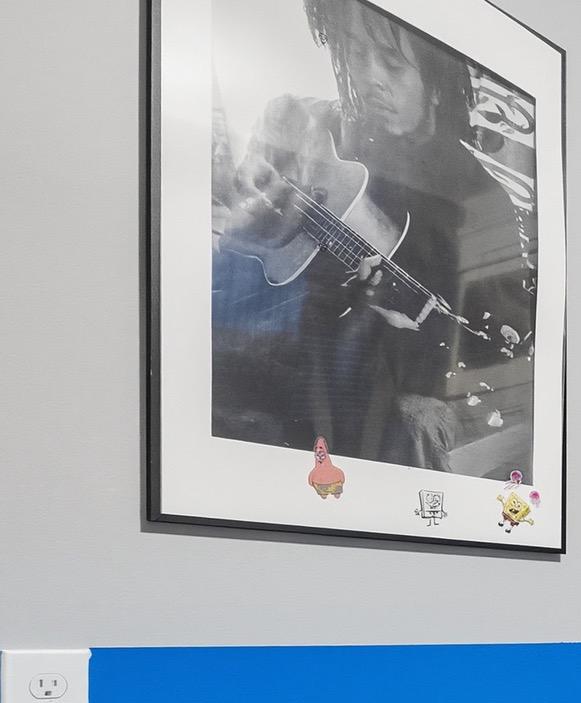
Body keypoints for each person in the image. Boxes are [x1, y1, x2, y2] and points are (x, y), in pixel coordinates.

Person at [212, 0, 535, 473]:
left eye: (391, 63)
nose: (369, 77)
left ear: (438, 84)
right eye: (354, 54)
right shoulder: (305, 124)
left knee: (410, 421)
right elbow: (238, 242)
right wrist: (254, 204)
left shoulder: (478, 196)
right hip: (296, 350)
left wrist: (395, 337)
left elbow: (492, 352)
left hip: (401, 376)